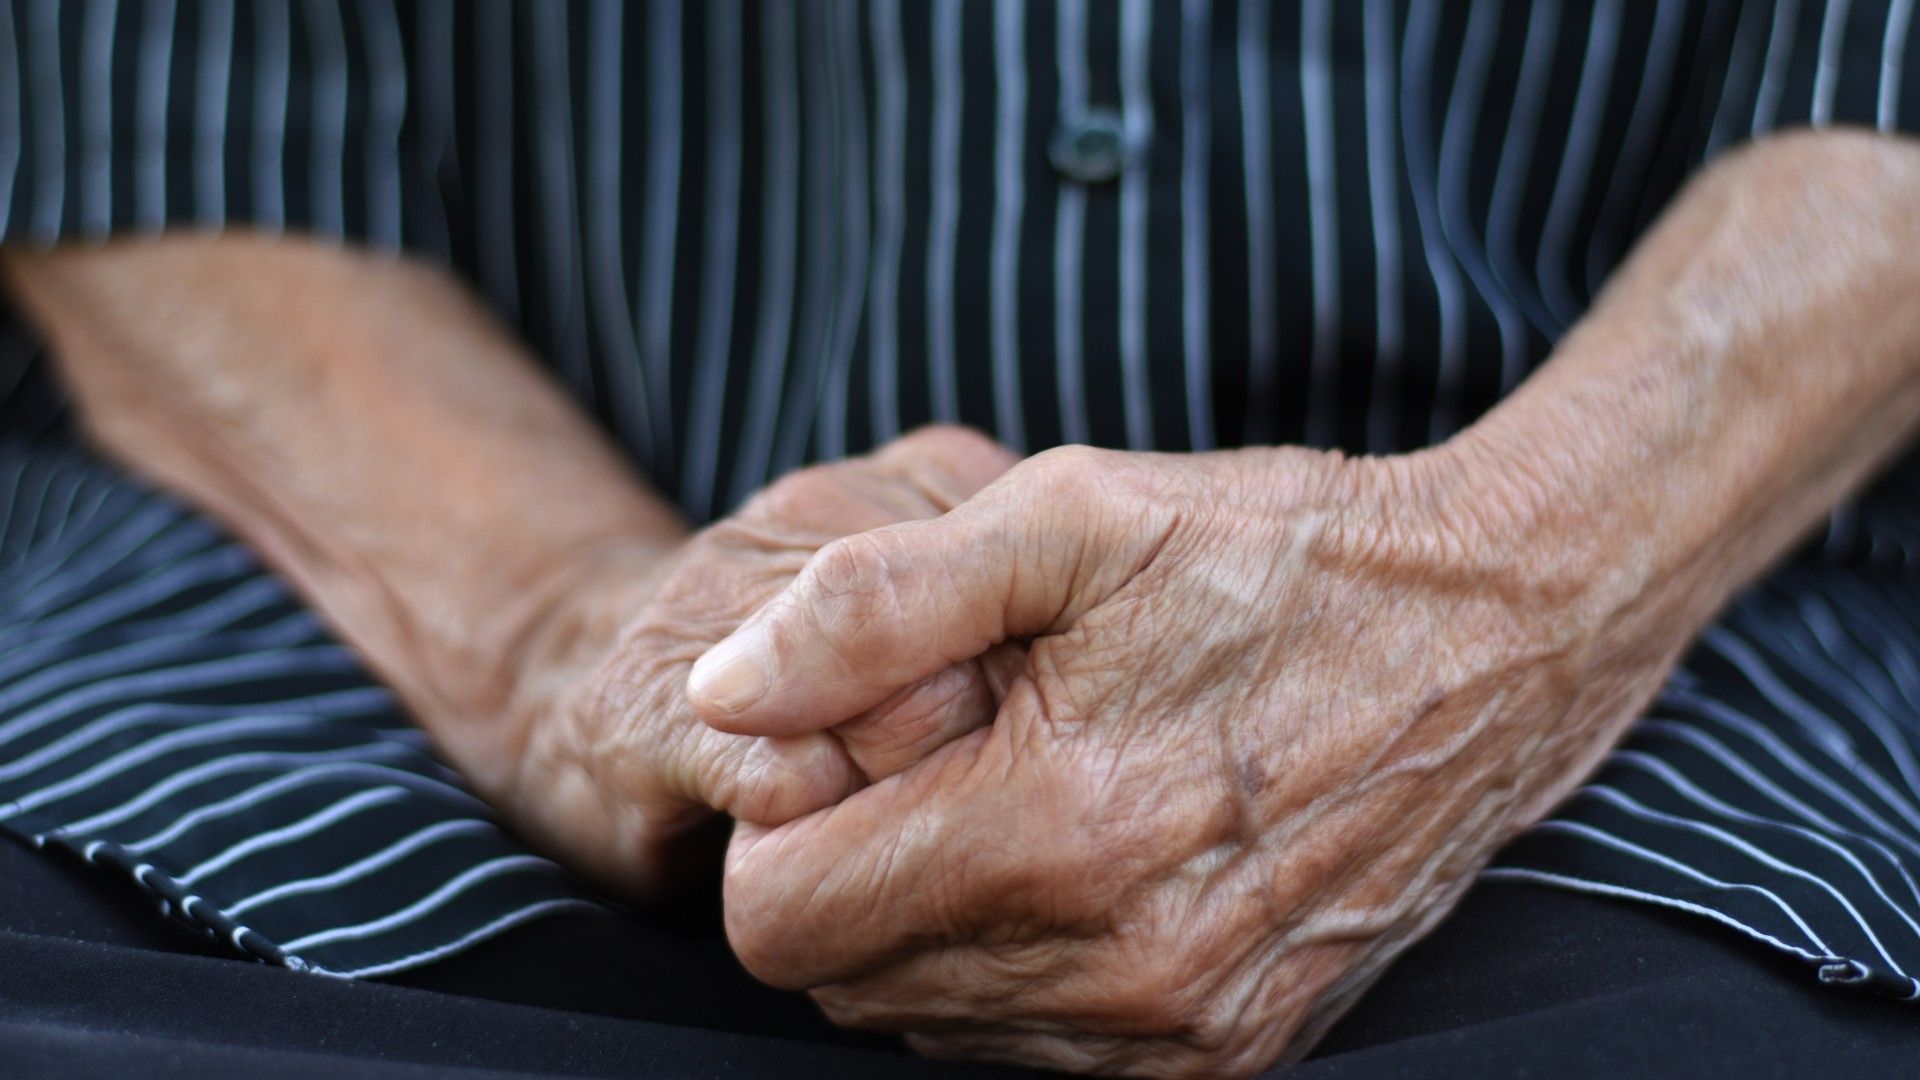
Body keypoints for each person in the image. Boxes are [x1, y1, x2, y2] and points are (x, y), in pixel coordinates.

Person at [3, 2, 1920, 1076]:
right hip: (350, 637)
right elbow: (153, 123)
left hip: (1680, 647)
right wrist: (572, 646)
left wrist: (1511, 573)